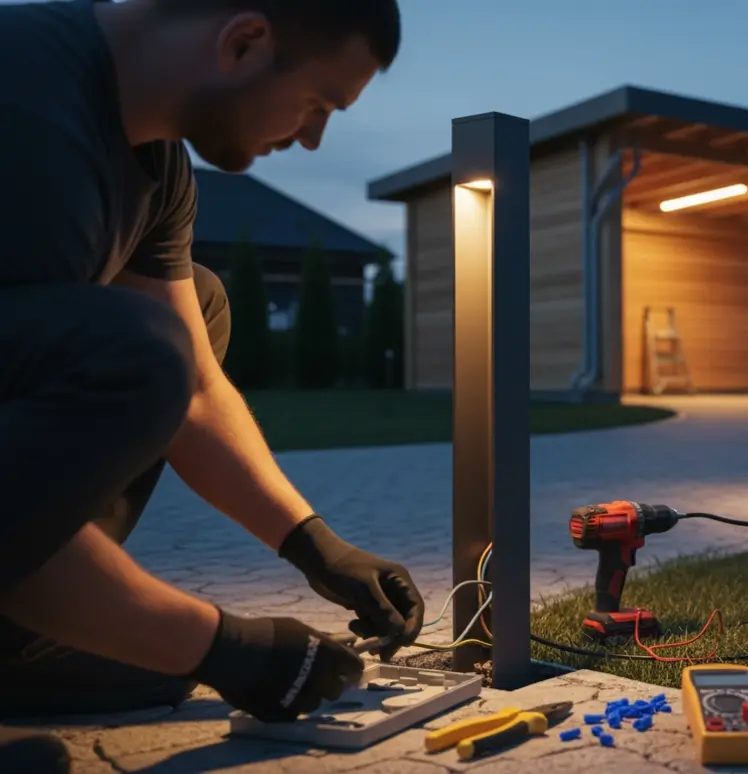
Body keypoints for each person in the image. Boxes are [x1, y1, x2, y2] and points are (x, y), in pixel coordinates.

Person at [0, 0, 425, 768]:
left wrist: (316, 547)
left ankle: (20, 645)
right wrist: (220, 647)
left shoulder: (156, 163)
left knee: (192, 306)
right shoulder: (24, 115)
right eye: (317, 104)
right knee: (137, 347)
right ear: (244, 42)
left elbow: (194, 391)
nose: (313, 137)